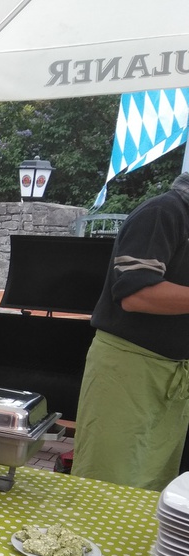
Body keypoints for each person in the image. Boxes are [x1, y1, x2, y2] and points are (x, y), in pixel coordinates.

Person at [72, 172, 189, 491]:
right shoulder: (164, 212)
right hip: (127, 371)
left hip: (175, 377)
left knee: (155, 486)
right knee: (104, 482)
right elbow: (136, 294)